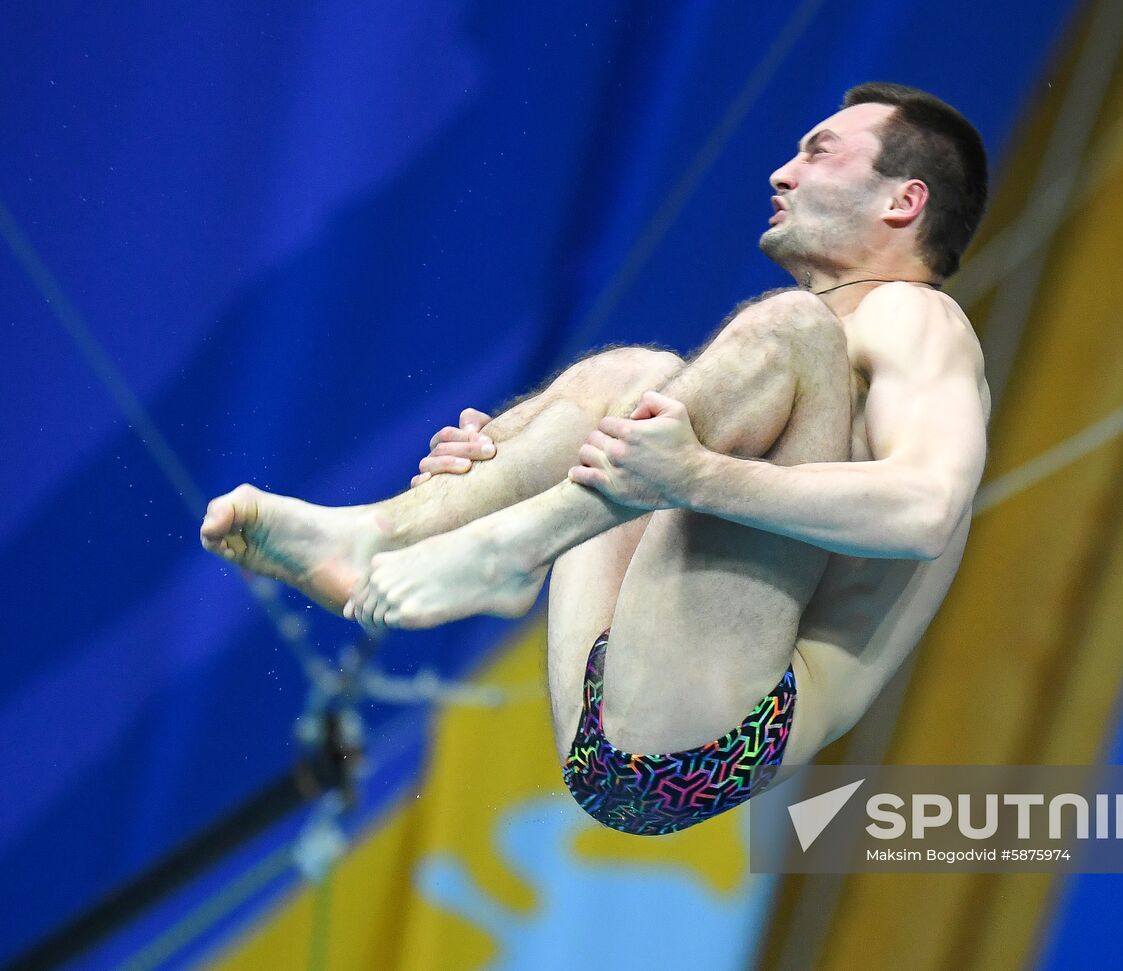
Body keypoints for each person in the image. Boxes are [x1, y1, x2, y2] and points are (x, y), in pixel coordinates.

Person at [200, 82, 991, 836]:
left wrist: (694, 475)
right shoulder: (836, 355)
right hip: (618, 700)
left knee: (786, 328)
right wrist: (503, 459)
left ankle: (512, 547)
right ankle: (391, 532)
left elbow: (925, 512)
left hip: (721, 738)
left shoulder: (920, 319)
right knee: (633, 375)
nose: (783, 172)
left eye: (820, 152)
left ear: (904, 200)